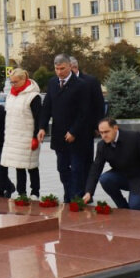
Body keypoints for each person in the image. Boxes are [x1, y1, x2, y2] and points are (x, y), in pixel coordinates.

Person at [38, 56, 92, 202]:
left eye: (62, 68)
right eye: (56, 69)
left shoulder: (81, 85)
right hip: (59, 134)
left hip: (77, 136)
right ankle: (68, 194)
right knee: (62, 168)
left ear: (69, 67)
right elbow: (47, 106)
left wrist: (74, 131)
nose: (59, 72)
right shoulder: (53, 83)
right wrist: (42, 127)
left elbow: (84, 112)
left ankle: (76, 197)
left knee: (76, 169)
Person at [82, 117, 140, 211]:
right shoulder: (102, 146)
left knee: (135, 207)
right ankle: (123, 208)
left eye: (106, 132)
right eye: (101, 133)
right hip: (121, 175)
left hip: (139, 177)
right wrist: (89, 192)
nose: (103, 136)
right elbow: (96, 169)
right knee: (105, 179)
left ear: (115, 128)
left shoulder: (133, 137)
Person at [0, 68, 44, 199]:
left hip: (28, 136)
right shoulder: (11, 95)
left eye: (15, 82)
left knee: (31, 166)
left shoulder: (33, 96)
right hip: (14, 136)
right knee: (19, 166)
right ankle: (21, 192)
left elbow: (38, 117)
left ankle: (35, 192)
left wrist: (35, 136)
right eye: (11, 82)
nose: (13, 85)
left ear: (23, 80)